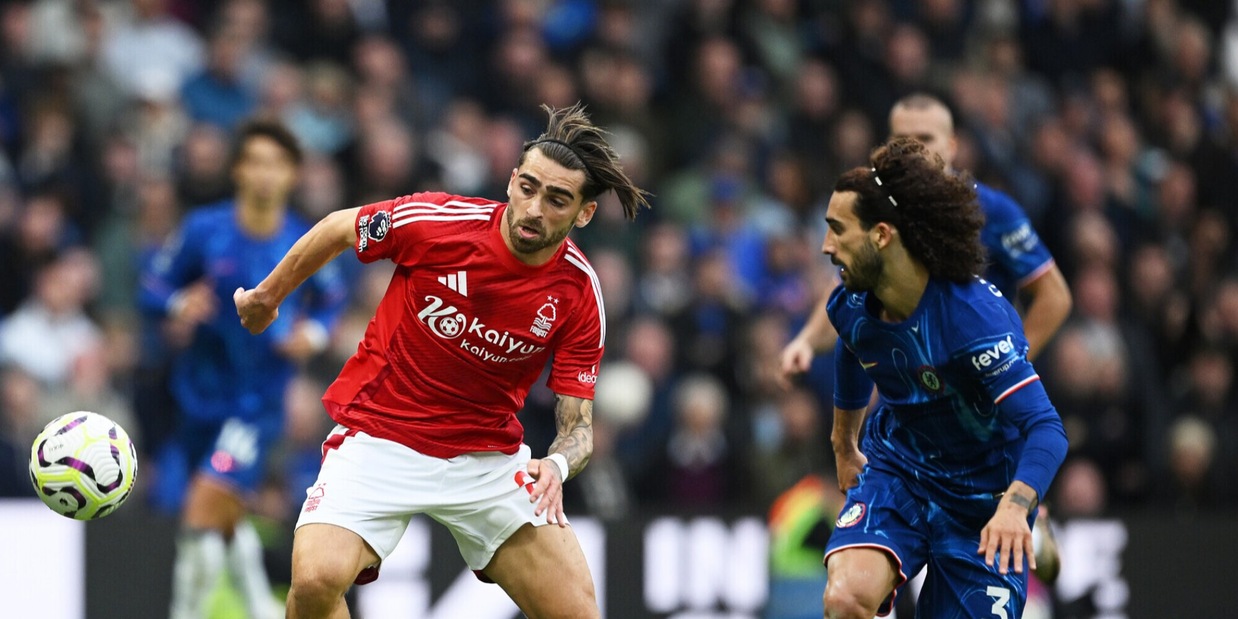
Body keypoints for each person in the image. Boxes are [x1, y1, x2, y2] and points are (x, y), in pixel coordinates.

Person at [234, 103, 651, 619]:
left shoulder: (580, 292)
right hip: (382, 434)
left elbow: (579, 427)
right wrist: (266, 298)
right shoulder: (438, 223)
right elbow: (341, 228)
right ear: (512, 181)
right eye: (528, 189)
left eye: (558, 199)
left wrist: (556, 465)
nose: (535, 209)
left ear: (584, 213)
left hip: (486, 460)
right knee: (315, 582)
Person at [780, 92, 1071, 584]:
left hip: (988, 391)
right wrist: (808, 341)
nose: (914, 149)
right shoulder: (875, 222)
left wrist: (1003, 364)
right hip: (916, 393)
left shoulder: (993, 212)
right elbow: (851, 310)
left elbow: (1055, 296)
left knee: (1010, 497)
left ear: (952, 146)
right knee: (855, 587)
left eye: (926, 139)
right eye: (902, 140)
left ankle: (1026, 516)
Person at [140, 119, 349, 619]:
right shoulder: (202, 230)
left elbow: (332, 299)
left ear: (292, 175)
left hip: (256, 406)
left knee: (205, 507)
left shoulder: (305, 239)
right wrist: (176, 304)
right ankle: (259, 606)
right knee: (224, 518)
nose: (263, 174)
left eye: (275, 164)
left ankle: (184, 612)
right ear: (237, 170)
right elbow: (150, 288)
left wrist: (314, 335)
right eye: (254, 161)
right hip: (194, 396)